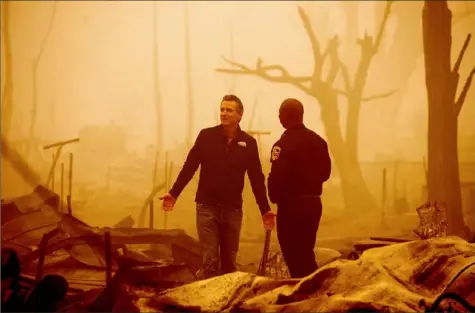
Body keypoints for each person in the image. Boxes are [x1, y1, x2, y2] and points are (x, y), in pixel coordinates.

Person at [160, 94, 276, 278]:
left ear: (240, 115)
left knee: (230, 264)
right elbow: (190, 166)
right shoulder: (206, 136)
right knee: (210, 262)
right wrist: (174, 193)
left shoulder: (249, 143)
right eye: (222, 109)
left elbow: (256, 178)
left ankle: (226, 305)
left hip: (233, 211)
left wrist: (265, 210)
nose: (224, 113)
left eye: (229, 110)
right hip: (207, 208)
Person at [268, 98, 331, 278]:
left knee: (293, 254)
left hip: (290, 207)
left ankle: (305, 291)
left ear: (284, 117)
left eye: (280, 114)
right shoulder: (318, 141)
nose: (279, 118)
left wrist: (274, 195)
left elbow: (277, 175)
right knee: (305, 250)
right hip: (313, 204)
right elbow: (325, 174)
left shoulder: (282, 145)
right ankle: (310, 288)